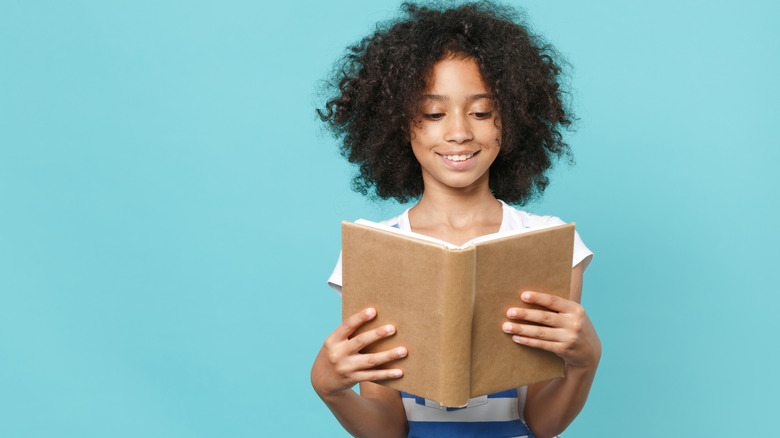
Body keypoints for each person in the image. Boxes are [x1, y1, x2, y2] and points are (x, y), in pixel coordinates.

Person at [311, 2, 601, 437]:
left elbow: (542, 422)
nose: (459, 132)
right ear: (398, 124)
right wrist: (331, 390)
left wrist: (585, 362)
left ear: (512, 120)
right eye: (433, 113)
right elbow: (387, 427)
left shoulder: (548, 243)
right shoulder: (374, 250)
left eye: (482, 112)